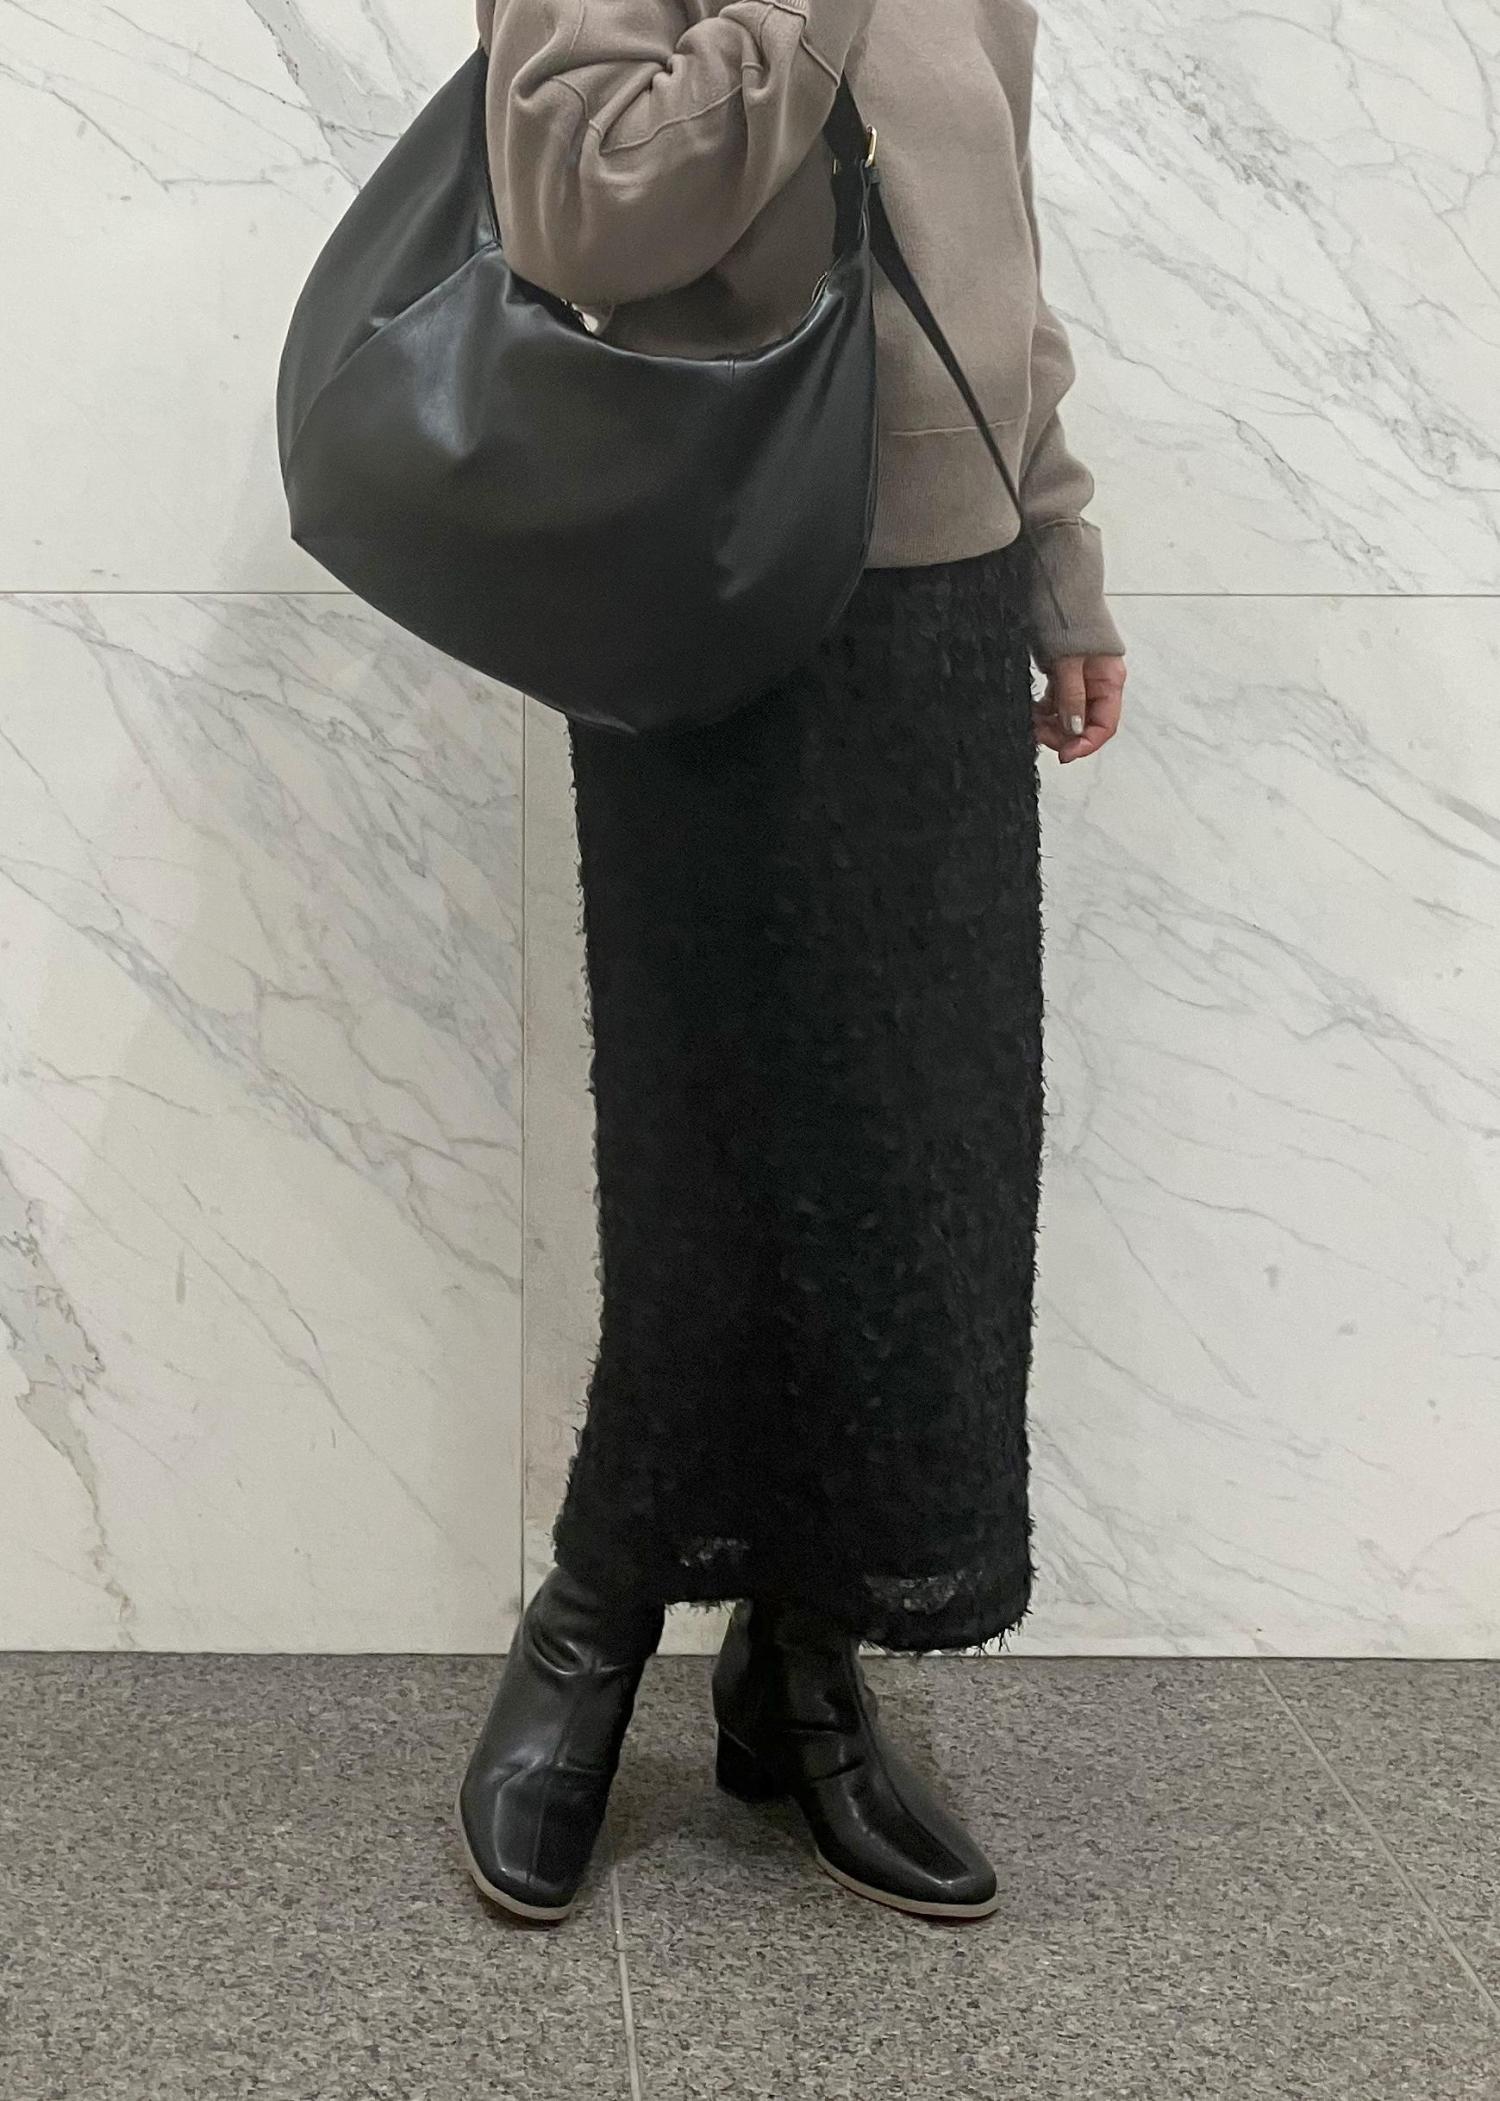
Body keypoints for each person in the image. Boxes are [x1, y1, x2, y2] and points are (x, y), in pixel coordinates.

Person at [457, 0, 1126, 1925]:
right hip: (721, 578)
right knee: (714, 1149)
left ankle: (802, 1661)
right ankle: (590, 1621)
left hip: (942, 605)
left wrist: (1057, 552)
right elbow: (581, 204)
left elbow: (992, 249)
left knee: (911, 1161)